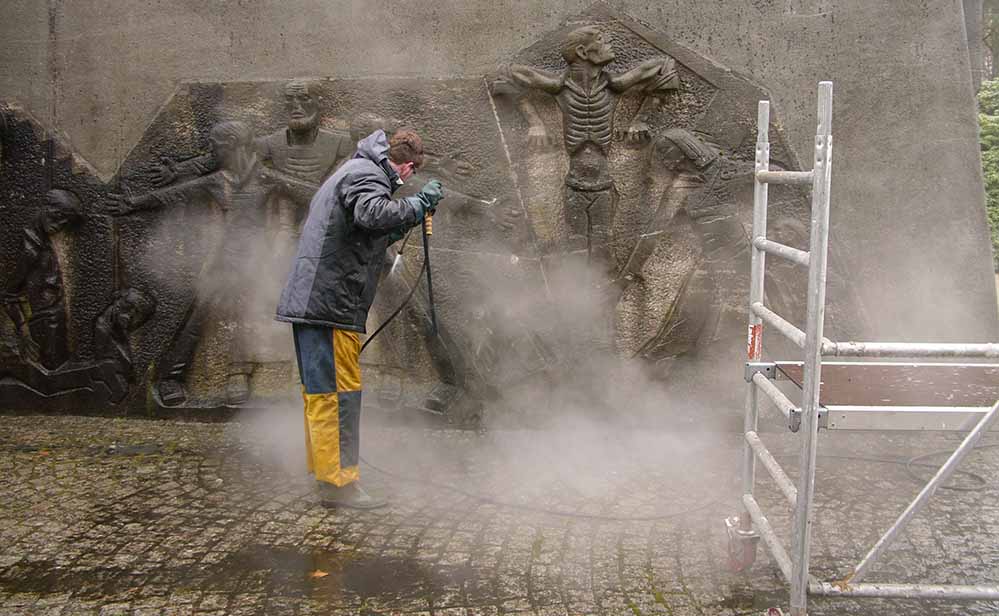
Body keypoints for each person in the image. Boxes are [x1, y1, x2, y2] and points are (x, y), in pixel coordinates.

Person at [276, 128, 444, 509]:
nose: (407, 179)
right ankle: (340, 486)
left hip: (316, 304)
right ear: (404, 163)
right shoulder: (367, 174)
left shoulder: (352, 170)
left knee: (323, 394)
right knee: (340, 396)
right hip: (331, 305)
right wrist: (419, 204)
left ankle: (328, 476)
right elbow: (372, 214)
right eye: (410, 172)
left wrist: (407, 219)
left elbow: (366, 231)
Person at [3, 189, 84, 370]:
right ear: (45, 207)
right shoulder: (29, 250)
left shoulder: (41, 240)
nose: (60, 224)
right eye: (58, 216)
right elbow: (9, 295)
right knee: (52, 375)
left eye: (66, 221)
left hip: (55, 316)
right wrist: (24, 331)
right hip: (44, 323)